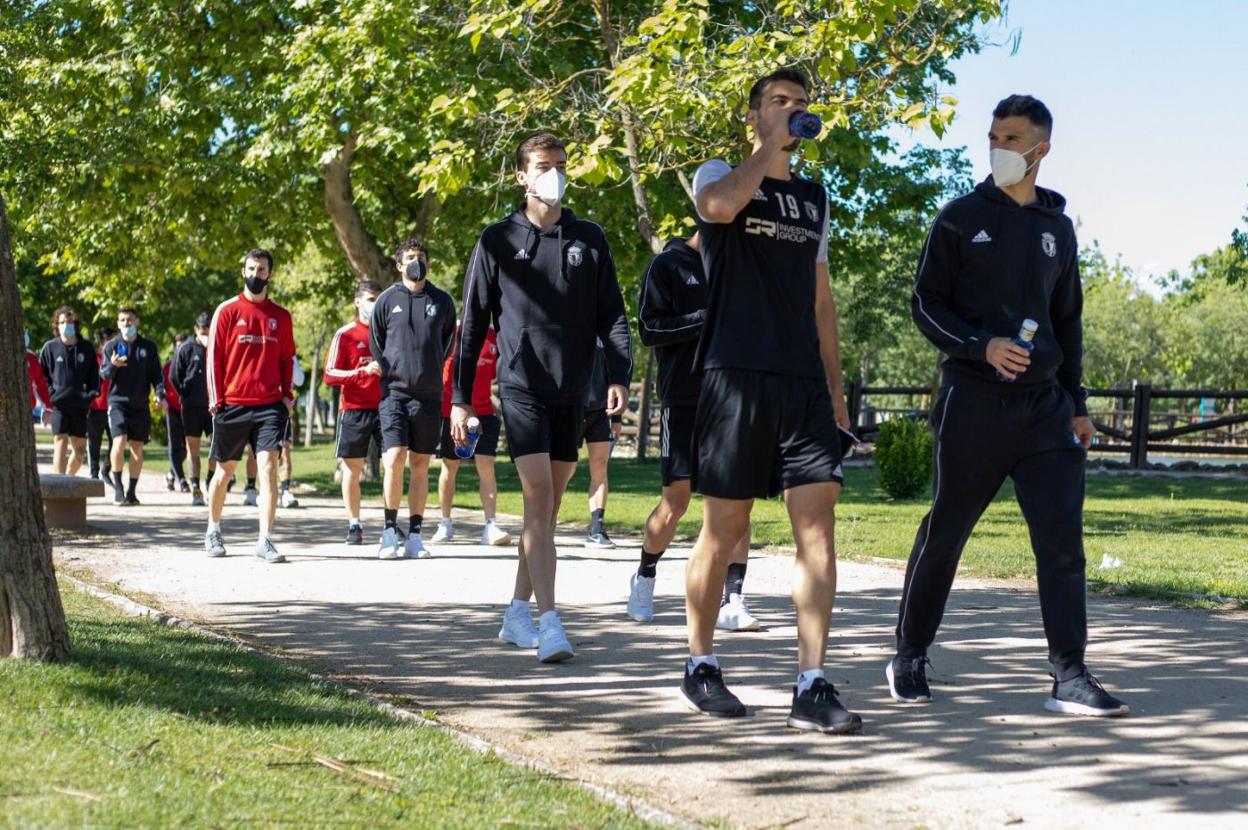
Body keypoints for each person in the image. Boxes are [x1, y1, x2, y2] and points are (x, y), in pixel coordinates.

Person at [887, 94, 1127, 718]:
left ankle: (1068, 674)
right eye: (993, 135)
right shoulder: (959, 217)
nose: (999, 147)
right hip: (974, 402)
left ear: (1040, 149)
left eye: (1012, 138)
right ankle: (909, 652)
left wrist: (1076, 404)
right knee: (947, 533)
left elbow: (1068, 324)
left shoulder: (1059, 229)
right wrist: (980, 345)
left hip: (1045, 411)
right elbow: (925, 303)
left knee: (1061, 542)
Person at [683, 68, 859, 733]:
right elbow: (720, 209)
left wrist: (836, 395)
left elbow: (821, 303)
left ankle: (811, 683)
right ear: (753, 117)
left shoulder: (814, 200)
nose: (794, 112)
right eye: (780, 103)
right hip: (734, 376)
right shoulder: (718, 173)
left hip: (801, 387)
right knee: (725, 530)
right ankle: (700, 663)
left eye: (802, 105)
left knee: (817, 530)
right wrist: (768, 150)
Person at [452, 132, 631, 664]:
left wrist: (619, 374)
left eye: (559, 164)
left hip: (574, 390)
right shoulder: (497, 239)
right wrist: (462, 397)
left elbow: (614, 317)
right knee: (538, 500)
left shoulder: (589, 238)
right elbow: (471, 327)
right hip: (521, 386)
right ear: (521, 176)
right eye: (541, 165)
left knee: (546, 513)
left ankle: (515, 613)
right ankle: (550, 622)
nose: (552, 173)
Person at [628, 232, 758, 631]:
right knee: (676, 501)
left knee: (736, 502)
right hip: (683, 399)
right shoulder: (666, 266)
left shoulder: (740, 269)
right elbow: (650, 329)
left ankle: (732, 598)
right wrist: (705, 318)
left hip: (732, 398)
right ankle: (645, 575)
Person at [203, 248, 297, 563]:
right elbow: (213, 358)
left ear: (270, 274)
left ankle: (265, 539)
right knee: (224, 472)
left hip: (270, 405)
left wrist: (287, 396)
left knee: (269, 468)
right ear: (242, 270)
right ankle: (213, 529)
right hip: (232, 404)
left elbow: (287, 358)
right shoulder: (226, 311)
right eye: (250, 268)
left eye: (261, 270)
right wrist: (216, 400)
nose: (255, 275)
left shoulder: (281, 316)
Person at [370, 239, 456, 560]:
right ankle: (389, 531)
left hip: (429, 395)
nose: (415, 262)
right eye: (409, 257)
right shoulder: (386, 300)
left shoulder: (443, 301)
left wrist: (428, 368)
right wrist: (393, 370)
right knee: (393, 458)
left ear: (428, 263)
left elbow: (447, 343)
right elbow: (377, 341)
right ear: (398, 264)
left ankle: (416, 535)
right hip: (394, 393)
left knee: (420, 464)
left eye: (420, 257)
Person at [430, 323, 511, 547]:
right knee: (450, 465)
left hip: (484, 412)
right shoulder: (451, 332)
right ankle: (445, 523)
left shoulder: (495, 336)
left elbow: (498, 372)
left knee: (486, 466)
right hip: (453, 412)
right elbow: (440, 372)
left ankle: (490, 525)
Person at [325, 281, 384, 544]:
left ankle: (391, 524)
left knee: (394, 463)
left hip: (387, 407)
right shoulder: (345, 334)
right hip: (354, 410)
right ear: (357, 301)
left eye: (378, 300)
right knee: (353, 468)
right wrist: (363, 371)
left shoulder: (388, 332)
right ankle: (354, 524)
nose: (374, 305)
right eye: (370, 299)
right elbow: (329, 375)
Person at [99, 307, 164, 505]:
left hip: (140, 405)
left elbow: (157, 377)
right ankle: (118, 488)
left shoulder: (149, 347)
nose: (126, 323)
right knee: (118, 441)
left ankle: (131, 492)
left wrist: (159, 395)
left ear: (137, 322)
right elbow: (103, 375)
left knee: (137, 447)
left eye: (129, 320)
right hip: (118, 403)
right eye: (122, 320)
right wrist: (113, 366)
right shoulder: (111, 346)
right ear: (118, 324)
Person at [38, 306, 99, 476]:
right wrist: (50, 396)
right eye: (62, 322)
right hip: (58, 405)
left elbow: (95, 377)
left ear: (75, 324)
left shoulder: (86, 348)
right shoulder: (49, 348)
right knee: (60, 442)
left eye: (69, 322)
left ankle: (69, 481)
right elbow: (42, 377)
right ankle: (59, 485)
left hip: (80, 405)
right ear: (57, 325)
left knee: (79, 451)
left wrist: (91, 396)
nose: (66, 325)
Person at [580, 341, 623, 549]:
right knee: (562, 469)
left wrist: (617, 418)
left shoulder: (607, 335)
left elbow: (615, 374)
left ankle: (596, 529)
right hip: (571, 407)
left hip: (599, 412)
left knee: (600, 467)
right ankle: (545, 524)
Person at [171, 312, 214, 506]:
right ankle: (195, 487)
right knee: (193, 449)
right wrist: (185, 394)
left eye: (209, 330)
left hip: (214, 407)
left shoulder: (218, 346)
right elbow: (174, 376)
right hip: (191, 407)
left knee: (218, 448)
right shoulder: (186, 349)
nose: (206, 334)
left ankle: (211, 482)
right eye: (203, 331)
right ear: (196, 330)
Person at [86, 328, 115, 483]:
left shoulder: (117, 361)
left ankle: (106, 469)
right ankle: (94, 473)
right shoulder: (94, 360)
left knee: (116, 442)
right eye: (111, 342)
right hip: (95, 408)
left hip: (113, 408)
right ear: (103, 343)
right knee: (94, 443)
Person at [163, 333, 190, 493]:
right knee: (174, 446)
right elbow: (160, 385)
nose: (180, 347)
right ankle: (182, 480)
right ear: (174, 346)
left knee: (186, 449)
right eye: (178, 344)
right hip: (172, 409)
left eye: (183, 344)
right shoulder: (167, 366)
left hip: (187, 410)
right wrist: (161, 398)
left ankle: (171, 474)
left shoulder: (190, 365)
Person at [278, 354, 305, 509]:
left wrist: (290, 358)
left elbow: (300, 380)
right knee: (262, 453)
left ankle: (285, 491)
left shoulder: (289, 354)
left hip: (283, 407)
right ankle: (259, 488)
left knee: (285, 449)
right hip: (262, 405)